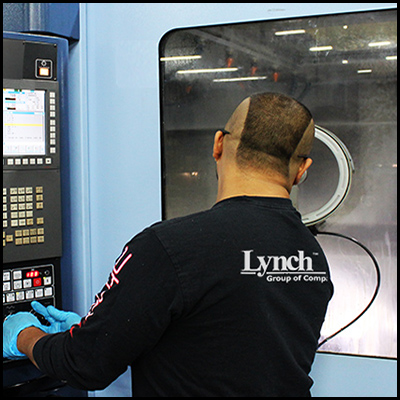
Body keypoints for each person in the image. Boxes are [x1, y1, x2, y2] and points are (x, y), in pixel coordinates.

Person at [3, 92, 333, 396]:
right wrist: (95, 329)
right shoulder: (311, 254)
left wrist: (23, 335)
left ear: (218, 144)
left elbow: (84, 364)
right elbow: (227, 344)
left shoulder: (170, 247)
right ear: (302, 170)